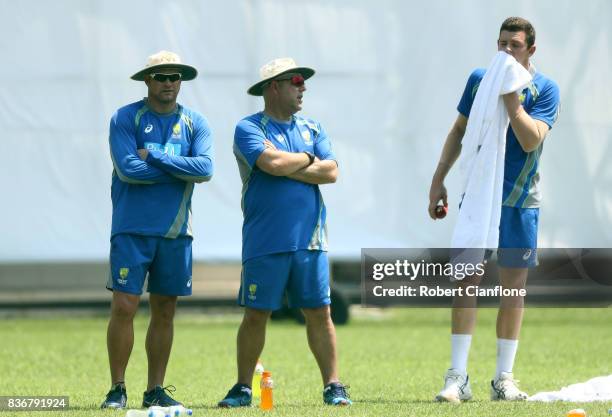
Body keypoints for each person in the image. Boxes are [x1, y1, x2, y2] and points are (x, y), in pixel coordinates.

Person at [428, 17, 560, 402]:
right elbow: (459, 130)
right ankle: (457, 378)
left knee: (512, 289)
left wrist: (512, 98)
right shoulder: (479, 79)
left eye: (514, 45)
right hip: (478, 197)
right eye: (501, 43)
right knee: (465, 280)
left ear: (530, 50)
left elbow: (532, 138)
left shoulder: (544, 88)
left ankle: (504, 378)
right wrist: (439, 179)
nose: (505, 51)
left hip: (520, 203)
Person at [217, 57, 351, 407]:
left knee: (320, 312)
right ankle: (243, 387)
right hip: (265, 240)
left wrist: (292, 160)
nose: (302, 87)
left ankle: (333, 386)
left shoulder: (313, 127)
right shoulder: (249, 128)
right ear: (273, 87)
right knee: (256, 314)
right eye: (295, 81)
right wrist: (308, 159)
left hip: (310, 240)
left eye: (303, 81)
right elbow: (270, 163)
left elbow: (332, 172)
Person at [101, 51, 214, 409]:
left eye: (174, 77)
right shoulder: (125, 117)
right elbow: (128, 170)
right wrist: (180, 168)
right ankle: (117, 388)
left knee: (165, 311)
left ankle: (155, 389)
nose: (168, 83)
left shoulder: (196, 122)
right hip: (132, 229)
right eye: (161, 76)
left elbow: (206, 169)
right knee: (124, 306)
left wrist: (158, 158)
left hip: (176, 232)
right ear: (147, 80)